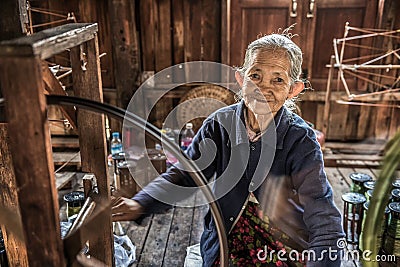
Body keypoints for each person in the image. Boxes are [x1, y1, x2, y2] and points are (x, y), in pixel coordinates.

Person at [112, 27, 345, 267]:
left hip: (283, 244)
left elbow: (322, 213)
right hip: (227, 238)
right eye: (255, 76)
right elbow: (186, 174)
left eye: (278, 79)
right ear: (241, 80)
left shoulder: (301, 141)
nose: (263, 89)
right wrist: (142, 202)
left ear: (293, 90)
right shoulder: (219, 124)